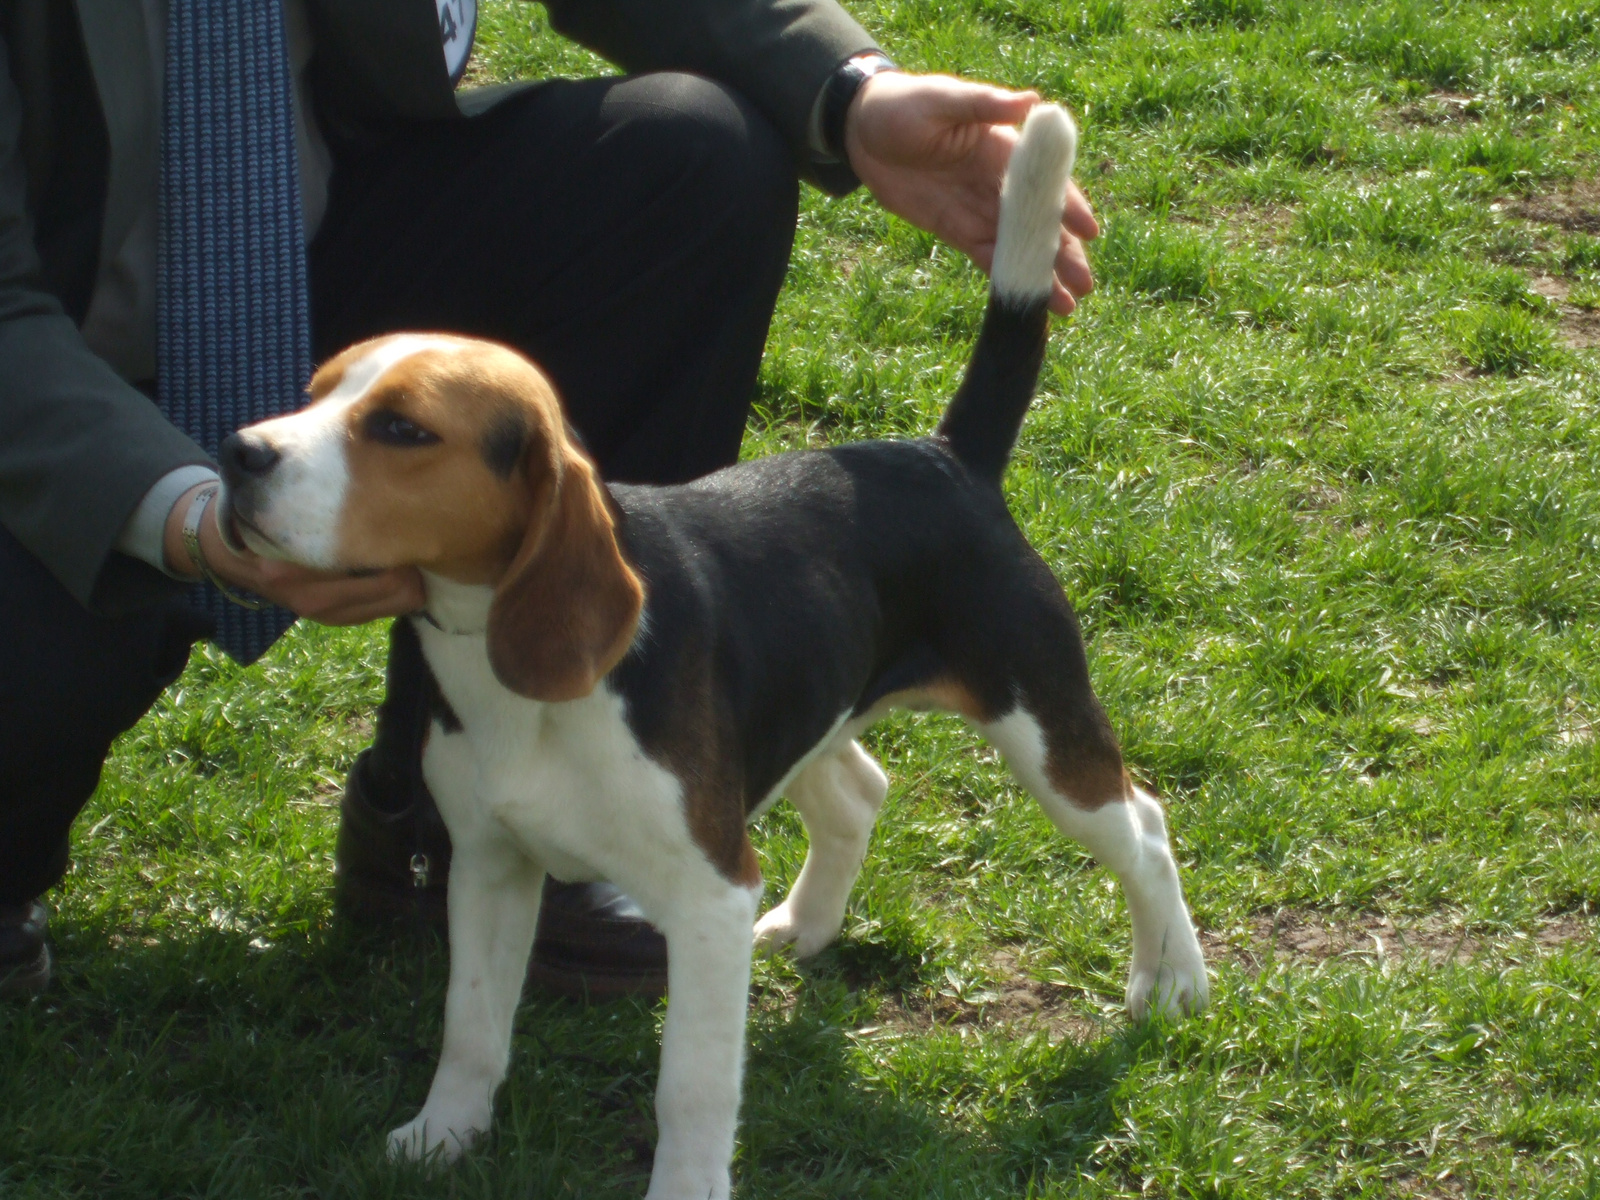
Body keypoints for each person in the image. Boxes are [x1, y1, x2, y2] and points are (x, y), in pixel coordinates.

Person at [0, 0, 1098, 999]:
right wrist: (177, 514)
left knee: (686, 154)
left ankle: (486, 808)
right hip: (47, 355)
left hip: (325, 257)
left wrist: (848, 90)